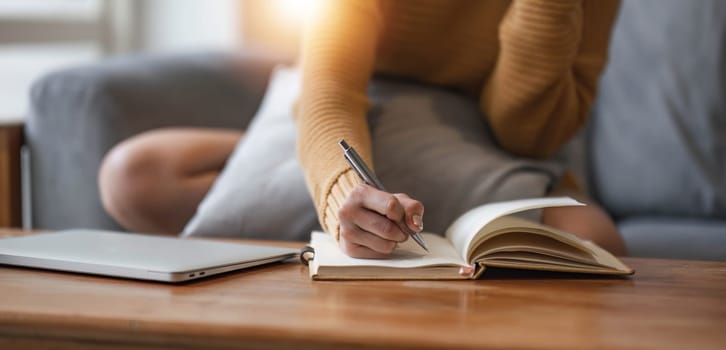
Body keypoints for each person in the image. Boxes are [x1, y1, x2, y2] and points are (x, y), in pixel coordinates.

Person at [99, 0, 626, 258]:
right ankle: (306, 161)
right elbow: (329, 89)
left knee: (596, 241)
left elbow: (527, 135)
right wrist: (342, 191)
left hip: (467, 135)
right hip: (346, 111)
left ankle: (303, 173)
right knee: (134, 175)